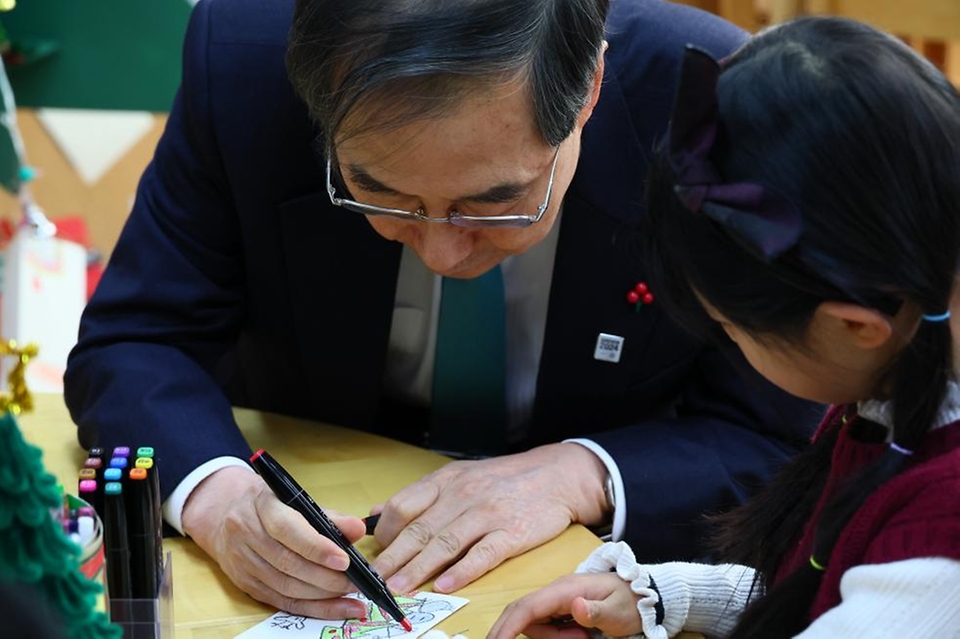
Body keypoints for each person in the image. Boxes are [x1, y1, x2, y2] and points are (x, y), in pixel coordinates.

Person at [63, 0, 820, 621]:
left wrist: (583, 472)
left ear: (588, 90)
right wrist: (220, 496)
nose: (441, 253)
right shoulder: (239, 60)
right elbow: (136, 339)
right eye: (381, 195)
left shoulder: (707, 103)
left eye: (494, 204)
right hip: (324, 513)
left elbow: (784, 431)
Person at [487, 16, 960, 639]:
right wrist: (666, 596)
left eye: (731, 329)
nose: (728, 345)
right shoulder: (897, 382)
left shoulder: (937, 555)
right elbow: (822, 581)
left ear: (854, 325)